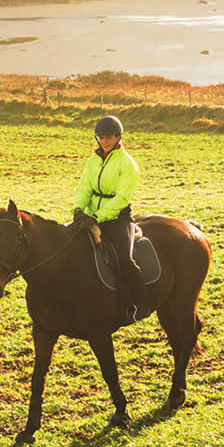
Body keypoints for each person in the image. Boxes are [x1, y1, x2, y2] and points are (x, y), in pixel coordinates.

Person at [72, 114, 146, 321]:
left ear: (118, 138)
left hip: (117, 218)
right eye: (101, 138)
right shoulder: (92, 161)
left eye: (109, 138)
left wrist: (97, 216)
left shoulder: (128, 164)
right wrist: (78, 209)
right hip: (90, 216)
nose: (105, 142)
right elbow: (84, 187)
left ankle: (140, 302)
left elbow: (122, 198)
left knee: (124, 259)